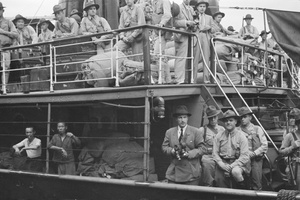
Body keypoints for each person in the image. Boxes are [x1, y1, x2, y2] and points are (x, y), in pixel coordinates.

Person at [162, 105, 204, 185]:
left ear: (187, 118)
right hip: (174, 172)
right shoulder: (170, 132)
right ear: (176, 119)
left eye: (184, 117)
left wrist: (189, 154)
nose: (182, 120)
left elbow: (202, 149)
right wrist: (172, 151)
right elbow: (164, 147)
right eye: (180, 117)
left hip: (191, 171)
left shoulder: (195, 131)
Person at [213, 109, 250, 189]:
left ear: (236, 122)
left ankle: (243, 191)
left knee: (235, 172)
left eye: (231, 120)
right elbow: (215, 153)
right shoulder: (219, 136)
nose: (228, 122)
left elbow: (245, 156)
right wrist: (221, 164)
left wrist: (231, 166)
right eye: (226, 121)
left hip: (237, 164)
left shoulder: (241, 136)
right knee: (219, 183)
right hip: (222, 163)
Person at [237, 107, 268, 190]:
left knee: (256, 181)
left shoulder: (257, 129)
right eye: (241, 117)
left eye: (245, 117)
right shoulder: (237, 131)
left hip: (255, 158)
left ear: (250, 117)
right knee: (243, 182)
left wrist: (254, 153)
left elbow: (264, 145)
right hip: (242, 159)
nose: (242, 119)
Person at [173, 0, 199, 84]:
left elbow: (194, 21)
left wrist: (194, 24)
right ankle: (179, 79)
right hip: (181, 35)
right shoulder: (178, 7)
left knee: (190, 58)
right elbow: (174, 22)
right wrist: (186, 23)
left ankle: (188, 79)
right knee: (180, 58)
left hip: (190, 35)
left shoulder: (191, 9)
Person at [199, 105, 224, 186]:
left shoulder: (222, 129)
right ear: (208, 119)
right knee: (208, 182)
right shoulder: (202, 130)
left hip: (220, 158)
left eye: (215, 117)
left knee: (221, 182)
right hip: (208, 158)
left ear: (217, 117)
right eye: (210, 118)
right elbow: (198, 146)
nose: (213, 120)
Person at [194, 0, 213, 84]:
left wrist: (209, 27)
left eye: (204, 6)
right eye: (200, 6)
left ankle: (206, 79)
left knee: (206, 57)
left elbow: (214, 28)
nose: (202, 8)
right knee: (195, 58)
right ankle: (193, 79)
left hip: (205, 36)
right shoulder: (194, 16)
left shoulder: (209, 17)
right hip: (197, 36)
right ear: (197, 7)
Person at [279, 111, 300, 185]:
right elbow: (281, 152)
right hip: (297, 166)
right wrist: (293, 147)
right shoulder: (290, 135)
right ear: (297, 124)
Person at [0, 2, 18, 86]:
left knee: (6, 68)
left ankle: (4, 88)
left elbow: (15, 34)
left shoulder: (8, 22)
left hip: (5, 49)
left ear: (2, 10)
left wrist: (4, 32)